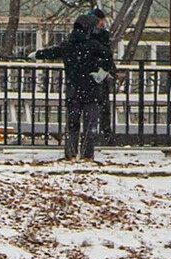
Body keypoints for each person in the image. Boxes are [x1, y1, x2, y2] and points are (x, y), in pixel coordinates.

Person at [29, 15, 112, 161]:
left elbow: (52, 52)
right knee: (90, 124)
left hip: (73, 90)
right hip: (91, 90)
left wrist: (37, 54)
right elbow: (108, 58)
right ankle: (87, 155)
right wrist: (100, 74)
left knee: (72, 124)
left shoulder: (68, 45)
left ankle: (71, 154)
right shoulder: (93, 45)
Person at [89, 8, 116, 145]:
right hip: (97, 73)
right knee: (101, 106)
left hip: (97, 73)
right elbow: (107, 54)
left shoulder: (94, 35)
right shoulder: (97, 36)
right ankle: (103, 135)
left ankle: (101, 135)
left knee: (101, 106)